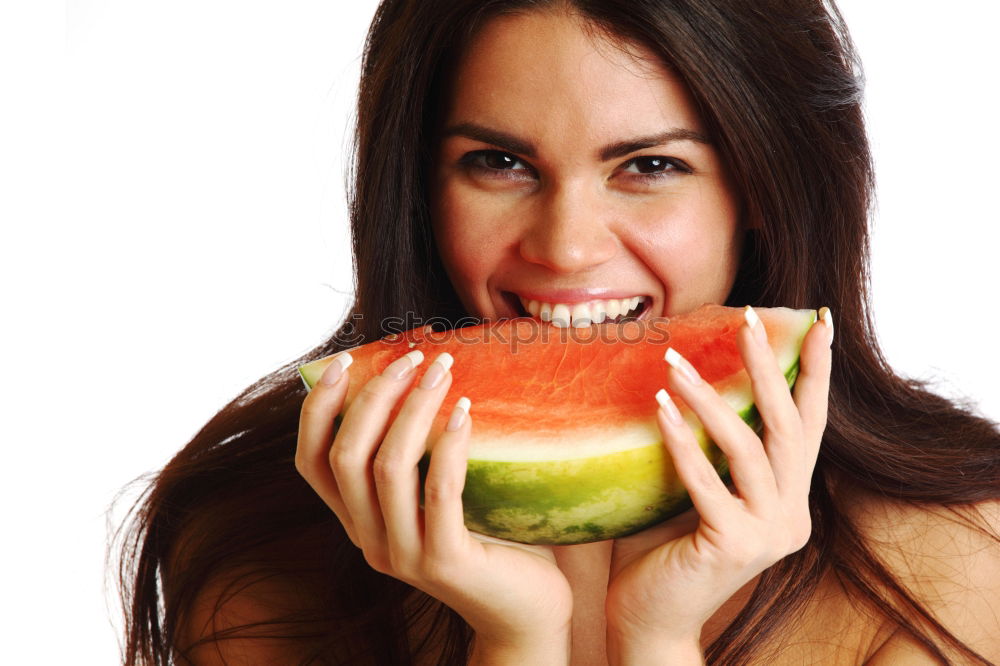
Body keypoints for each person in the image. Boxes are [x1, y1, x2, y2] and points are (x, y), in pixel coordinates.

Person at [116, 1, 1000, 664]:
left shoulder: (959, 562)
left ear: (766, 190)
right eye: (498, 163)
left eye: (651, 166)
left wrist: (657, 636)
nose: (566, 247)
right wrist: (518, 638)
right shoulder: (260, 544)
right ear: (419, 190)